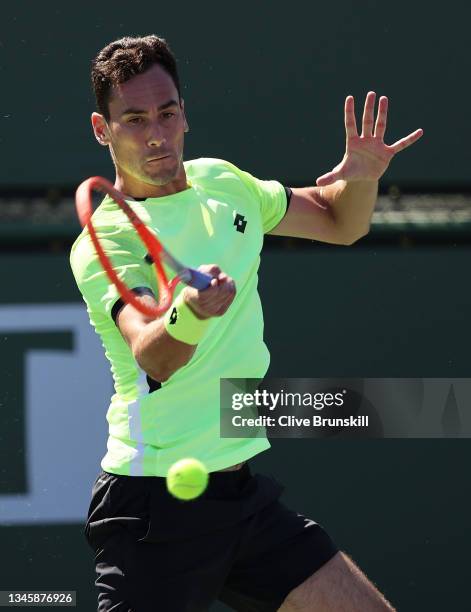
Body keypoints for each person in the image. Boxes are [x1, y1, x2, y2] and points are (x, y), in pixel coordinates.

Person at [70, 34, 422, 612]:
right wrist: (190, 311)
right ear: (102, 129)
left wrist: (362, 175)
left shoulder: (223, 183)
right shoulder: (106, 240)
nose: (156, 133)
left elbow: (342, 224)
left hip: (240, 494)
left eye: (167, 112)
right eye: (133, 119)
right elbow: (153, 355)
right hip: (154, 512)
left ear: (185, 113)